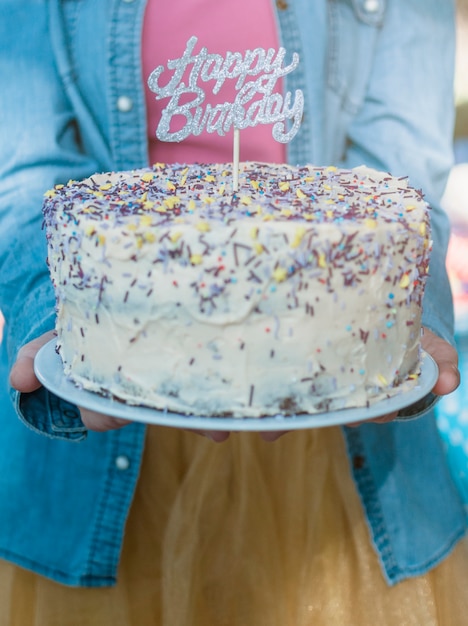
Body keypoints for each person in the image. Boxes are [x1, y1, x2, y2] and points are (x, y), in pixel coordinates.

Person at [0, 1, 467, 624]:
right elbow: (28, 170)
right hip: (94, 461)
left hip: (336, 426)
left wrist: (411, 322)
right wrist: (46, 320)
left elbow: (402, 183)